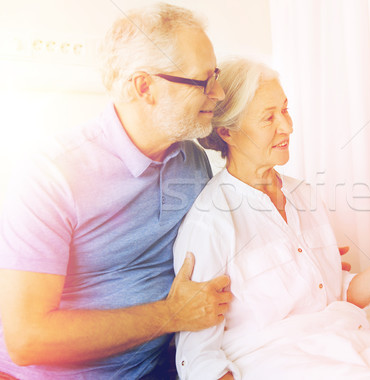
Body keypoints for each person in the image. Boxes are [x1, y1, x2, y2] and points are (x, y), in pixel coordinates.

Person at [0, 3, 232, 378]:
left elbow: (219, 239)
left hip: (157, 363)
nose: (218, 93)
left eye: (216, 76)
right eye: (203, 81)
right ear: (145, 88)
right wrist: (171, 314)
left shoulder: (190, 160)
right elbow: (27, 339)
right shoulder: (49, 174)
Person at [172, 59, 370, 379]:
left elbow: (336, 297)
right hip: (276, 363)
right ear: (228, 132)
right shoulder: (210, 222)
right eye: (269, 117)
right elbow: (198, 358)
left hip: (345, 344)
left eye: (285, 109)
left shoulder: (304, 195)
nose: (287, 126)